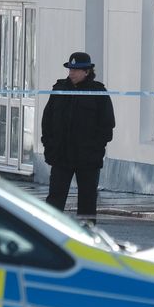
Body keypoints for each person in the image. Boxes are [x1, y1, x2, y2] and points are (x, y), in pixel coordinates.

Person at [41, 52, 116, 222]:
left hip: (87, 158)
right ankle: (50, 234)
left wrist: (96, 148)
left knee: (87, 200)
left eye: (76, 70)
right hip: (61, 155)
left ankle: (88, 236)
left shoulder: (98, 93)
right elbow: (47, 120)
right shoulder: (60, 89)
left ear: (87, 72)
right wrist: (49, 145)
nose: (71, 73)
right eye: (70, 69)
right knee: (55, 199)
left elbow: (107, 124)